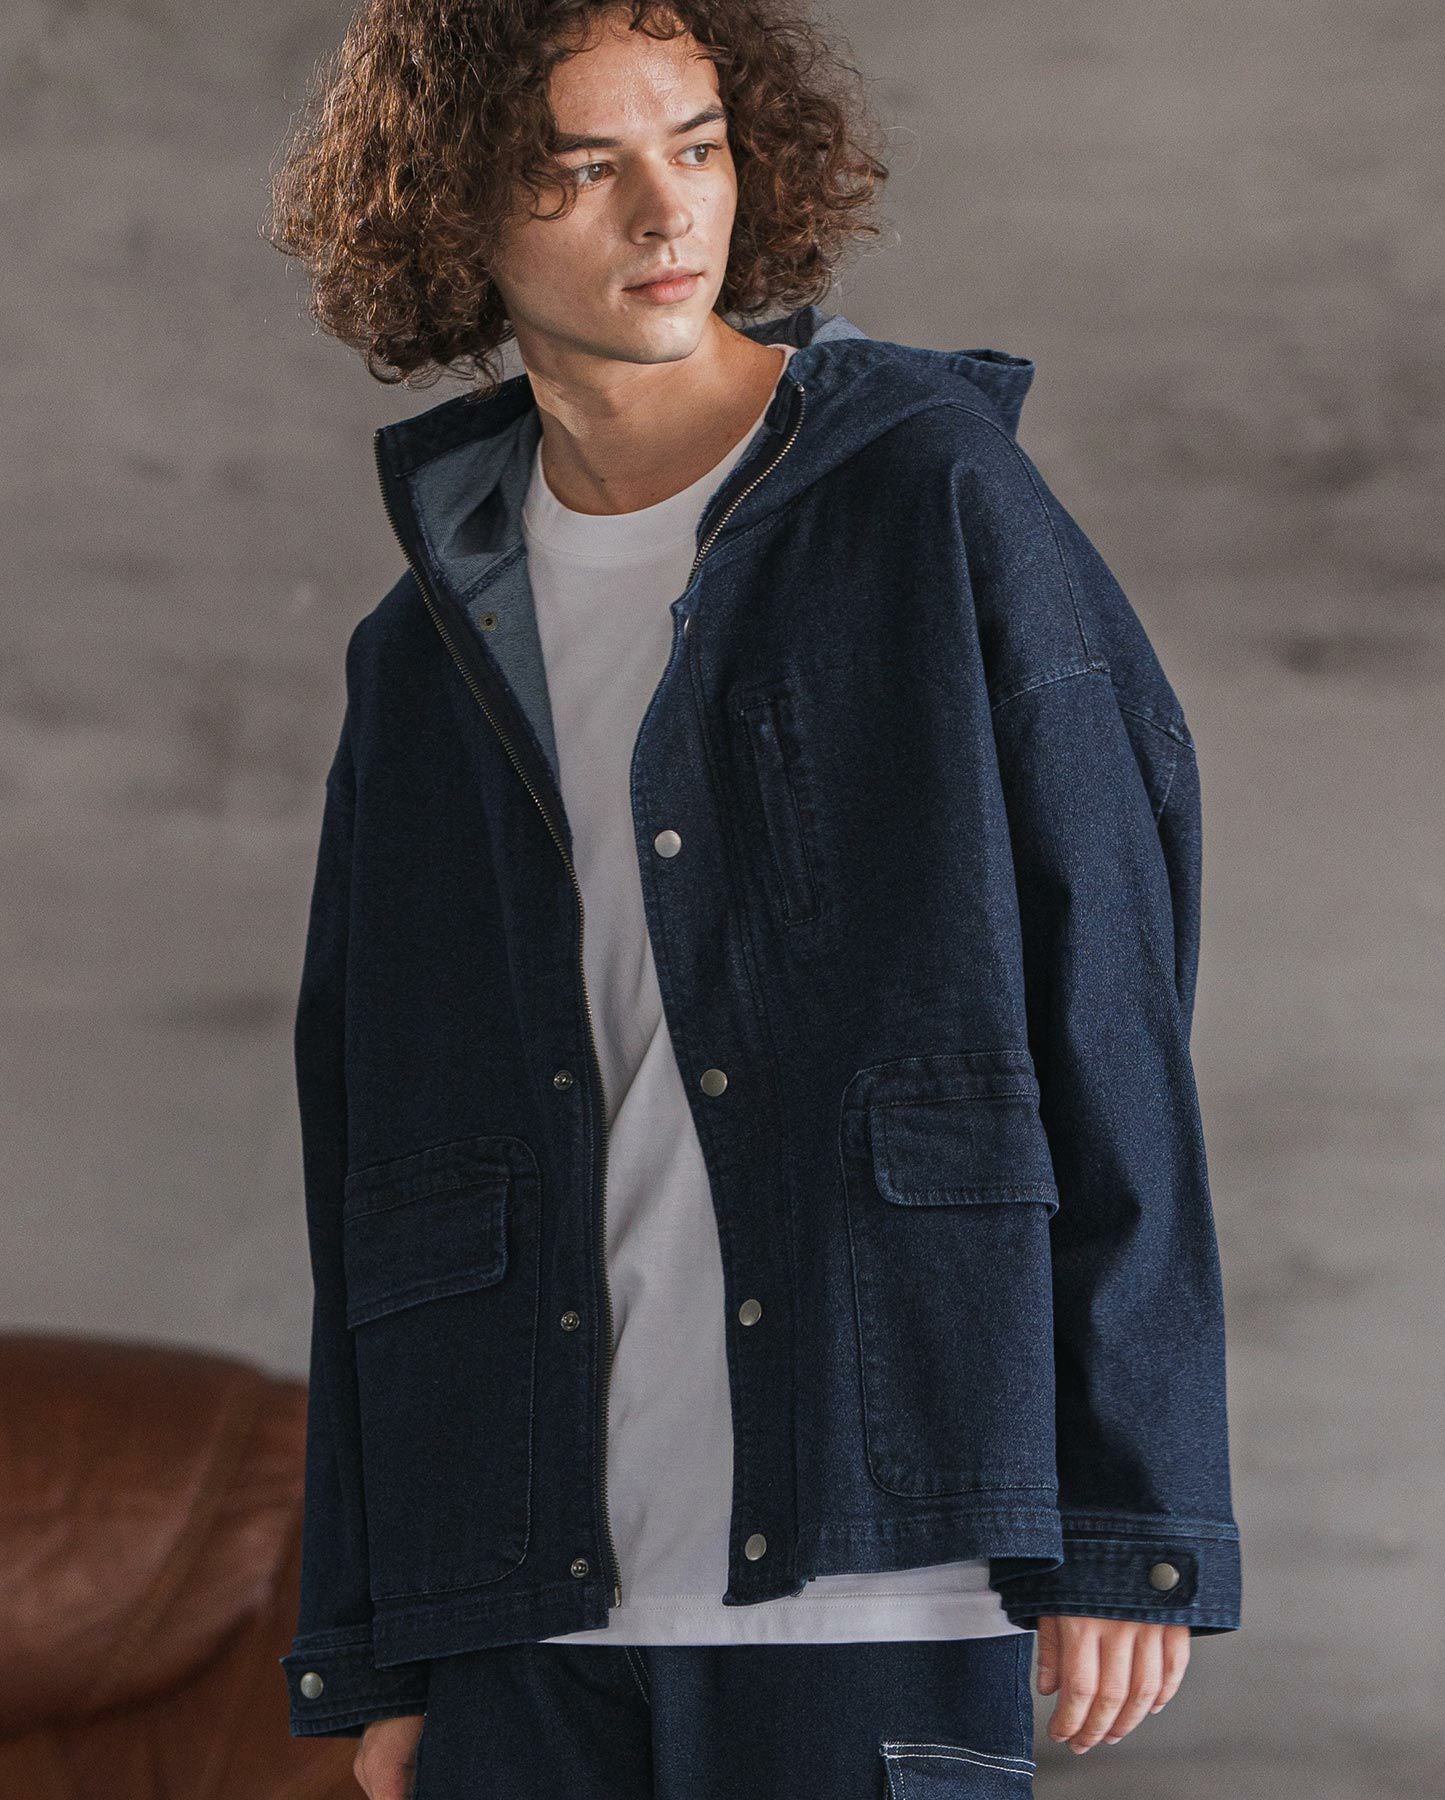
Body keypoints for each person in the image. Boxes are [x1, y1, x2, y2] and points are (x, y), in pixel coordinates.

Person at [264, 3, 1242, 1795]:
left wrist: (1132, 1508)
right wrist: (378, 1628)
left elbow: (1110, 993)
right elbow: (373, 1143)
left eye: (698, 147)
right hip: (523, 1593)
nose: (668, 213)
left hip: (882, 1550)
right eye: (583, 167)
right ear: (446, 207)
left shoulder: (934, 498)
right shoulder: (423, 650)